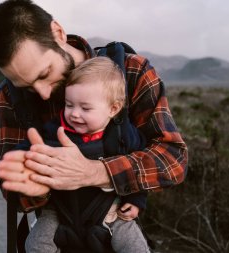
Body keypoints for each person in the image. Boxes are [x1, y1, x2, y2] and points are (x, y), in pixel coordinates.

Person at [0, 0, 187, 246]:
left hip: (115, 232)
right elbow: (12, 188)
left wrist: (95, 172)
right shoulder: (10, 95)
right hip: (58, 235)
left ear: (57, 33)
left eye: (45, 74)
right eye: (27, 86)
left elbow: (173, 159)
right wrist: (33, 189)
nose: (43, 93)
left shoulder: (130, 71)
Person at [15, 56, 150, 252]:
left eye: (85, 108)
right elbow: (30, 145)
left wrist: (136, 201)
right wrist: (19, 158)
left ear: (113, 108)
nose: (75, 114)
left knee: (134, 245)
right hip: (59, 210)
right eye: (69, 105)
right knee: (36, 245)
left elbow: (138, 169)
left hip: (110, 209)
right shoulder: (55, 130)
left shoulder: (124, 135)